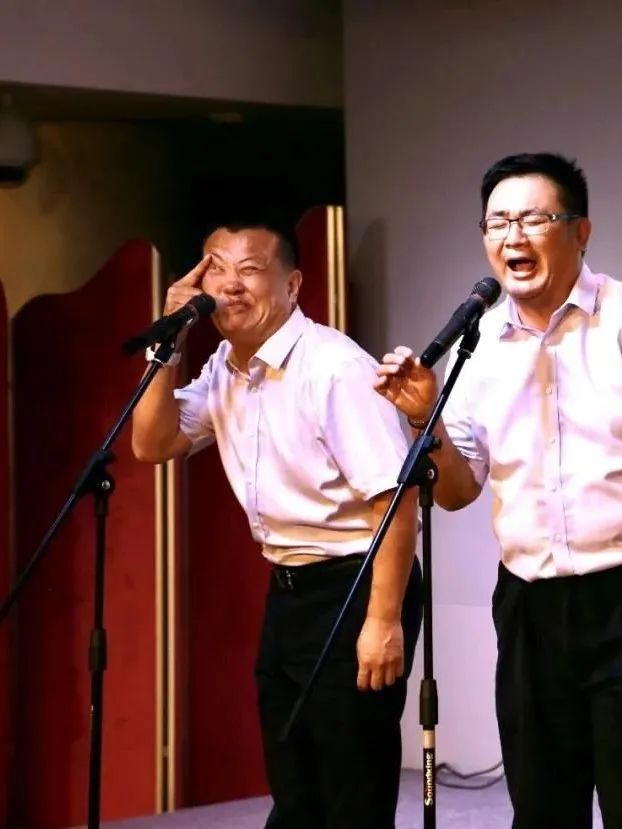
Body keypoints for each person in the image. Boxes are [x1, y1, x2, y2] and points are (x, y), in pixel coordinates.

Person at [374, 152, 622, 829]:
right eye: (497, 223)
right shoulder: (480, 342)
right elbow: (456, 490)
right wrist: (426, 419)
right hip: (530, 607)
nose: (512, 237)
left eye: (533, 219)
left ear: (580, 231)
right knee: (541, 808)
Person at [132, 221, 422, 829]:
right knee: (294, 782)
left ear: (292, 284)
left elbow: (396, 501)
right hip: (290, 587)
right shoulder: (225, 364)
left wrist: (383, 622)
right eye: (216, 267)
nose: (229, 285)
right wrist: (168, 346)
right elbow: (152, 443)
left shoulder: (334, 367)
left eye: (250, 269)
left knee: (351, 786)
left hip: (355, 582)